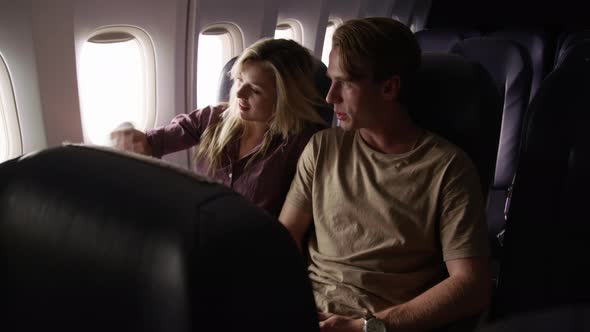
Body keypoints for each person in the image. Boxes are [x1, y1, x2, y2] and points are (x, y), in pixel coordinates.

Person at [279, 18, 491, 332]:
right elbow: (286, 236)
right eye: (330, 80)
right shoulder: (323, 148)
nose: (330, 97)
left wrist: (367, 327)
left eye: (346, 83)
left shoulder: (448, 169)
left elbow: (471, 285)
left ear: (389, 87)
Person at [111, 38, 327, 217]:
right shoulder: (213, 117)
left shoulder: (304, 145)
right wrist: (131, 138)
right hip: (200, 228)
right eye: (239, 80)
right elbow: (151, 143)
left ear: (285, 98)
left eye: (256, 90)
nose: (240, 94)